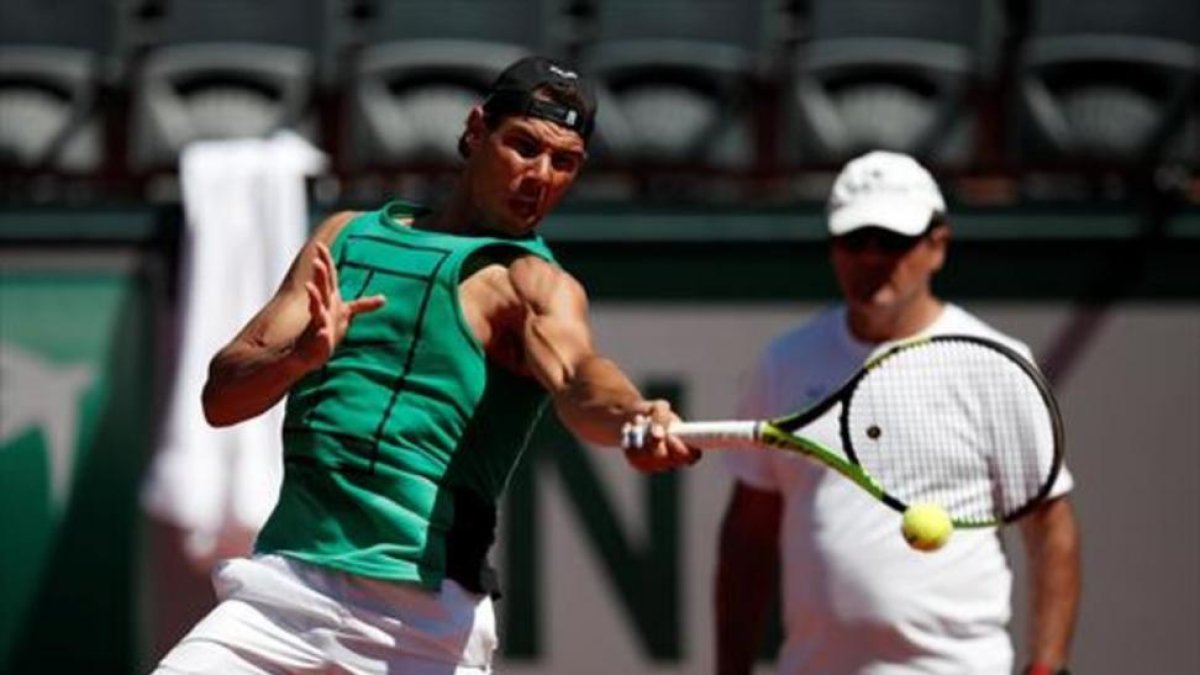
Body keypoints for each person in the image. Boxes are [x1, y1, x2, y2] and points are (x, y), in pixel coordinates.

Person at [152, 55, 699, 675]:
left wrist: (634, 415)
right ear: (474, 131)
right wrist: (299, 358)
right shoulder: (345, 238)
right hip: (283, 599)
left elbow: (580, 378)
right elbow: (220, 398)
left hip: (424, 628)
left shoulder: (532, 284)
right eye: (524, 146)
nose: (540, 175)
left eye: (564, 162)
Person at [714, 151, 1081, 675]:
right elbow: (748, 534)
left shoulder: (997, 363)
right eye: (854, 241)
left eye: (892, 240)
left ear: (937, 246)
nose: (871, 257)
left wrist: (1047, 666)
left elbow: (1050, 526)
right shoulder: (785, 362)